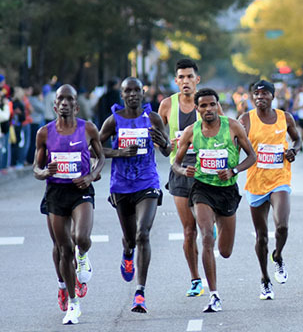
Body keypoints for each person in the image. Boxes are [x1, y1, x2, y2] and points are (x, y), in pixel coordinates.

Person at [173, 88, 256, 312]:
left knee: (226, 251)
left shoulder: (233, 127)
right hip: (202, 189)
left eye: (212, 105)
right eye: (203, 106)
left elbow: (252, 156)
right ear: (197, 109)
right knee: (206, 237)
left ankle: (218, 227)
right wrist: (184, 172)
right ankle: (214, 294)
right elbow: (176, 162)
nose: (208, 109)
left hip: (227, 191)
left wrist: (234, 170)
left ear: (218, 106)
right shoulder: (192, 131)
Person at [33, 84, 105, 324]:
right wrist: (44, 173)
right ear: (55, 105)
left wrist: (91, 176)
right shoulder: (44, 133)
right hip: (55, 192)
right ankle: (73, 304)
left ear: (76, 105)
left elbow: (101, 156)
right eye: (60, 99)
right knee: (63, 249)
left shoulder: (88, 129)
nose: (64, 103)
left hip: (80, 190)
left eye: (69, 99)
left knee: (81, 238)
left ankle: (83, 256)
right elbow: (36, 167)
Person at [99, 77, 171, 312]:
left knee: (143, 233)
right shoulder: (113, 120)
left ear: (143, 93)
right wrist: (118, 152)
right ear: (122, 95)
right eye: (127, 91)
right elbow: (94, 148)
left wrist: (164, 143)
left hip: (147, 182)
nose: (132, 95)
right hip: (121, 186)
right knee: (131, 238)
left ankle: (140, 293)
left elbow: (167, 149)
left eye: (136, 90)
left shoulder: (152, 118)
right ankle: (127, 252)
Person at [239, 80, 301, 300]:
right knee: (261, 236)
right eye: (256, 94)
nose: (260, 97)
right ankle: (265, 279)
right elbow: (235, 146)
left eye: (265, 93)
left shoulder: (285, 117)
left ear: (272, 97)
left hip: (279, 178)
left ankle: (278, 256)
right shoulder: (246, 120)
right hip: (255, 183)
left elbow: (296, 138)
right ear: (252, 97)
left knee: (282, 225)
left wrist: (294, 150)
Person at [158, 59, 206, 297]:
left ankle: (211, 223)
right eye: (181, 77)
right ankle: (195, 278)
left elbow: (223, 133)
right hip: (178, 172)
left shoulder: (207, 104)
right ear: (176, 81)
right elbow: (158, 139)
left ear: (197, 80)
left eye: (190, 77)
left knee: (205, 225)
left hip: (204, 172)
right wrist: (168, 146)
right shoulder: (167, 105)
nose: (185, 81)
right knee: (189, 230)